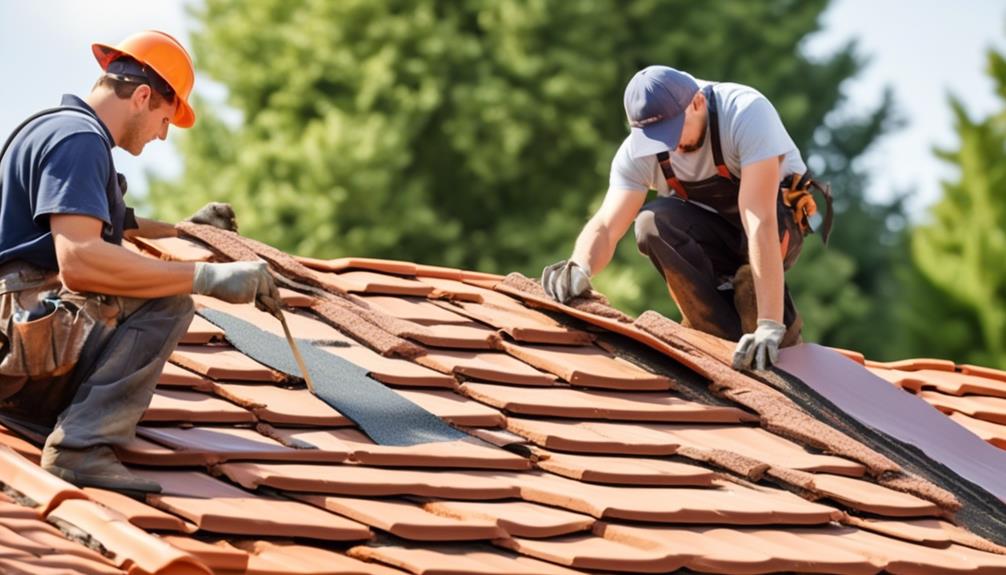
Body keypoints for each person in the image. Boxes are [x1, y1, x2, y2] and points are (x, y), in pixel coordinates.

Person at [0, 30, 279, 493]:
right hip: (21, 346)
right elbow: (81, 261)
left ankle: (58, 422)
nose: (162, 134)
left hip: (14, 342)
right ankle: (81, 447)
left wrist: (183, 231)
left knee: (149, 285)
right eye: (164, 119)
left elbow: (109, 222)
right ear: (143, 97)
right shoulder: (78, 140)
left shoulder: (56, 130)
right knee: (167, 303)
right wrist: (205, 277)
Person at [542, 66, 831, 371]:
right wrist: (579, 266)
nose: (670, 146)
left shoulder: (746, 113)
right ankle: (716, 339)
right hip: (712, 238)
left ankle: (781, 343)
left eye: (672, 131)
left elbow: (759, 219)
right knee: (651, 223)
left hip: (774, 226)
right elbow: (606, 225)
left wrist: (769, 324)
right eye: (656, 138)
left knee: (752, 292)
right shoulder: (639, 152)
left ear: (697, 102)